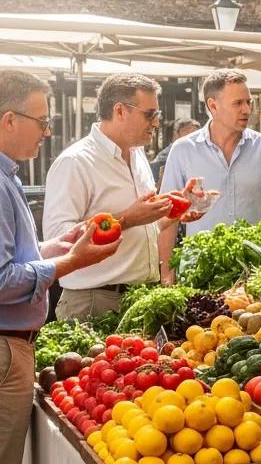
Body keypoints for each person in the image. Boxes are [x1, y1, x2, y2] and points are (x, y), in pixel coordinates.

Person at [0, 70, 123, 464]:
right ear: (7, 120)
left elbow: (21, 258)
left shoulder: (9, 179)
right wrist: (69, 264)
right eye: (41, 119)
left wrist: (59, 247)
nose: (47, 131)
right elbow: (3, 280)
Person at [43, 73, 175, 320]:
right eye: (150, 114)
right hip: (94, 302)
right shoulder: (75, 162)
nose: (156, 122)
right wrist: (127, 219)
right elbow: (58, 239)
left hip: (141, 297)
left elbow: (142, 230)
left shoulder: (137, 155)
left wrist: (174, 212)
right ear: (120, 111)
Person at [158, 69, 261, 280]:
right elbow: (168, 217)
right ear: (213, 106)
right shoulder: (183, 150)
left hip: (256, 272)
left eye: (249, 102)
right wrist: (167, 276)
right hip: (200, 272)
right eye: (238, 103)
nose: (247, 109)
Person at [150, 117, 199, 184]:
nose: (191, 136)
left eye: (195, 133)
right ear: (176, 134)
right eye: (187, 131)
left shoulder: (196, 153)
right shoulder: (167, 155)